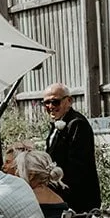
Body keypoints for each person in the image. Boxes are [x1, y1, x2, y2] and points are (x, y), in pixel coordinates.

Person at [42, 83, 100, 211]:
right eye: (46, 103)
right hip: (60, 194)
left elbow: (78, 164)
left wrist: (58, 190)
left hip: (76, 197)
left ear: (69, 101)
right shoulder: (58, 123)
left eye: (55, 102)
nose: (50, 106)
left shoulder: (77, 124)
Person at [13, 146, 71, 218]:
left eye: (19, 170)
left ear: (31, 175)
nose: (16, 174)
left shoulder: (26, 200)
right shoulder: (59, 199)